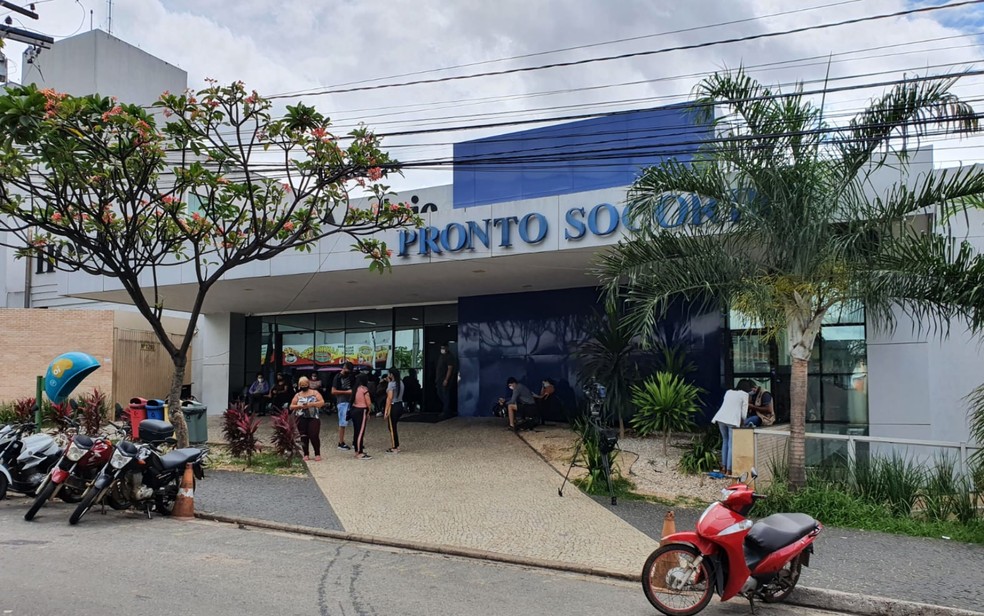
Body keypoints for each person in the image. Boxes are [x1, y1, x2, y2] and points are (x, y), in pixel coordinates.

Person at [712, 379, 753, 476]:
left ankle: (723, 467)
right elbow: (744, 413)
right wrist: (743, 422)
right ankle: (729, 470)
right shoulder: (744, 395)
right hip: (732, 420)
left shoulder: (728, 392)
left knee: (725, 441)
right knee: (731, 444)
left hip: (720, 418)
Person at [290, 376, 325, 461]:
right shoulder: (297, 395)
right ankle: (306, 453)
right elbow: (291, 406)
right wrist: (299, 406)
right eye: (302, 385)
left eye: (305, 384)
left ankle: (317, 453)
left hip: (313, 417)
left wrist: (311, 404)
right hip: (301, 417)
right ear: (299, 385)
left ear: (308, 384)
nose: (303, 386)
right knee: (303, 436)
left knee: (314, 434)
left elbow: (322, 402)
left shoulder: (314, 392)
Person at [331, 361, 355, 451]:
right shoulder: (337, 377)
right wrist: (347, 392)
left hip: (351, 402)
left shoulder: (351, 376)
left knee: (354, 422)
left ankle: (355, 441)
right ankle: (341, 442)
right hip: (342, 401)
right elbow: (333, 391)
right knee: (342, 423)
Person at [351, 372, 373, 460]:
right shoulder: (364, 389)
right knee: (360, 432)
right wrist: (369, 412)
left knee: (356, 431)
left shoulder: (355, 388)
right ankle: (359, 452)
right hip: (362, 410)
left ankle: (357, 450)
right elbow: (369, 403)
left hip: (354, 409)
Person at [384, 368, 406, 453]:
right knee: (393, 426)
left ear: (391, 375)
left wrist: (386, 410)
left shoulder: (391, 384)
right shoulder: (401, 383)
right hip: (400, 404)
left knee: (392, 427)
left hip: (393, 405)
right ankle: (396, 445)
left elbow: (389, 398)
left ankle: (394, 447)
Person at [435, 344, 457, 415]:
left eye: (443, 348)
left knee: (445, 394)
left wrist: (446, 379)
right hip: (439, 379)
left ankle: (446, 410)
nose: (442, 349)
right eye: (441, 348)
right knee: (440, 393)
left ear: (447, 348)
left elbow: (450, 369)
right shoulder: (441, 356)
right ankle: (447, 408)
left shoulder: (449, 356)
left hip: (444, 379)